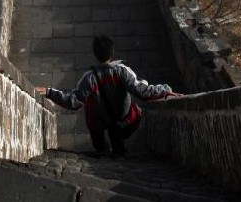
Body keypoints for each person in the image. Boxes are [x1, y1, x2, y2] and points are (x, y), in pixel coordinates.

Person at [36, 35, 180, 157]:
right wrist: (165, 90)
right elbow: (143, 91)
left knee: (98, 138)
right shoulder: (122, 72)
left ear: (95, 53)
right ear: (112, 54)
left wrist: (50, 92)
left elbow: (73, 102)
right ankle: (119, 153)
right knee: (119, 133)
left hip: (97, 120)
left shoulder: (89, 78)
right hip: (121, 117)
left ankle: (102, 153)